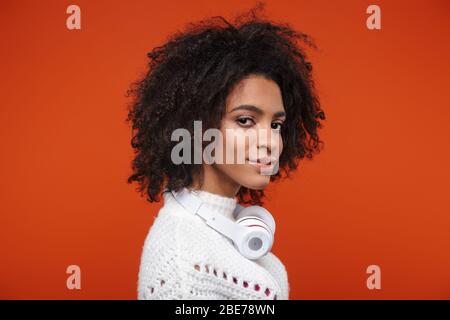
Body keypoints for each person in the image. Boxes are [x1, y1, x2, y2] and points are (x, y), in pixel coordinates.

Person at [125, 3, 326, 300]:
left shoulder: (229, 226)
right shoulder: (183, 262)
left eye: (276, 124)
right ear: (197, 129)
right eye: (246, 120)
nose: (269, 141)